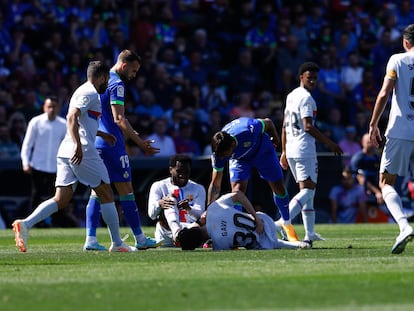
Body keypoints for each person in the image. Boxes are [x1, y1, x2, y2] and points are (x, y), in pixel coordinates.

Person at [12, 60, 136, 252]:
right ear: (102, 78)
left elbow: (83, 122)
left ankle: (25, 224)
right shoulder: (90, 92)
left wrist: (102, 134)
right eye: (106, 80)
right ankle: (118, 243)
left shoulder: (81, 90)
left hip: (65, 151)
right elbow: (72, 117)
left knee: (61, 199)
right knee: (106, 192)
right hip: (82, 150)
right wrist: (79, 145)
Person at [83, 50, 160, 251]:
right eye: (133, 71)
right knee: (126, 192)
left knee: (97, 193)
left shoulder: (100, 80)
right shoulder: (117, 84)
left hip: (97, 142)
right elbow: (118, 119)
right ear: (124, 66)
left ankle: (90, 239)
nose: (134, 75)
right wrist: (140, 143)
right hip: (112, 146)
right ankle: (140, 239)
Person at [280, 62, 343, 243]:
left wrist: (283, 151)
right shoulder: (307, 99)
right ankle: (284, 220)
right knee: (308, 191)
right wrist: (330, 143)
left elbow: (284, 126)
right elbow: (308, 126)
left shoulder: (291, 95)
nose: (313, 81)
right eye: (310, 78)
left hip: (291, 149)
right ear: (301, 78)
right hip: (304, 149)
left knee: (308, 193)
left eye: (315, 78)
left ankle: (310, 234)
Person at [208, 117, 299, 242]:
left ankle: (287, 224)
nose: (224, 159)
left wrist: (275, 138)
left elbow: (269, 122)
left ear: (233, 145)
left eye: (226, 155)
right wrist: (208, 212)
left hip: (262, 150)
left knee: (278, 187)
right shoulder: (219, 154)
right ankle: (236, 231)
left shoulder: (248, 129)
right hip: (241, 159)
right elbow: (215, 184)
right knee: (237, 192)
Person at [368, 24, 414, 254]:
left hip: (400, 130)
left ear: (406, 42)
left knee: (386, 183)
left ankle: (404, 226)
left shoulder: (397, 60)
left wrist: (374, 123)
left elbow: (385, 92)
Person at [176, 190, 311, 251]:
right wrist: (256, 218)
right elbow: (238, 194)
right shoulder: (213, 208)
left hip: (262, 243)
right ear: (193, 228)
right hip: (263, 220)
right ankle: (282, 226)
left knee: (270, 244)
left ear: (200, 244)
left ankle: (297, 244)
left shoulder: (219, 244)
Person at [20, 96, 67, 227]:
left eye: (54, 106)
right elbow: (27, 144)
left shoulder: (63, 124)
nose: (52, 109)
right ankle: (34, 224)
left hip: (56, 167)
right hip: (37, 166)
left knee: (57, 196)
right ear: (44, 107)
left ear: (58, 108)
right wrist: (25, 162)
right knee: (36, 195)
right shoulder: (36, 122)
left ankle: (57, 223)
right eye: (49, 106)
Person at [147, 154, 206, 247]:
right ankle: (176, 232)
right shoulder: (158, 186)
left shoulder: (198, 188)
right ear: (171, 170)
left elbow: (200, 216)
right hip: (166, 232)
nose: (183, 175)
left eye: (186, 172)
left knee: (209, 214)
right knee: (170, 199)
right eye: (179, 171)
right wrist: (159, 204)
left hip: (189, 230)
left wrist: (188, 209)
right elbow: (151, 215)